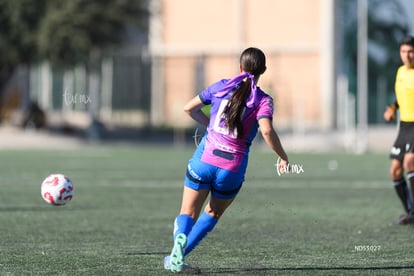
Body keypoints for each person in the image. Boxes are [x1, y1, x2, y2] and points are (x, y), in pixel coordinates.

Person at [164, 47, 289, 272]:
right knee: (212, 213)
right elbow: (267, 132)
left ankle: (179, 241)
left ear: (240, 67)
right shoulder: (263, 100)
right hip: (232, 168)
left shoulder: (221, 86)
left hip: (204, 159)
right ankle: (179, 256)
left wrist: (210, 126)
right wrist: (282, 156)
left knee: (187, 213)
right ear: (264, 70)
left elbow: (188, 109)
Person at [383, 35, 414, 225]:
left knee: (409, 162)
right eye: (403, 51)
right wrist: (392, 108)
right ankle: (410, 212)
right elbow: (400, 98)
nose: (407, 55)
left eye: (411, 51)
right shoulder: (400, 72)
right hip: (403, 127)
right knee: (395, 170)